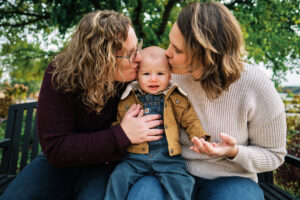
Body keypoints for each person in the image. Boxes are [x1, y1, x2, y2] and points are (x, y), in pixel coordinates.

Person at [129, 2, 287, 200]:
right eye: (170, 43)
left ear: (206, 55)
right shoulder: (166, 76)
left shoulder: (255, 84)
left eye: (177, 50)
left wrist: (234, 151)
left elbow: (274, 155)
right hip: (168, 170)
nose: (167, 53)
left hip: (231, 179)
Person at [0, 10, 165, 200]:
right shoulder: (60, 75)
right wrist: (122, 134)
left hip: (104, 164)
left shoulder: (136, 77)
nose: (139, 58)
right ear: (102, 60)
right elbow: (55, 147)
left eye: (138, 48)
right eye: (129, 54)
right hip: (59, 164)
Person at [104, 46, 210, 200]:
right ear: (137, 76)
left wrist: (199, 137)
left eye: (160, 73)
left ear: (169, 76)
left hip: (167, 157)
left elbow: (190, 119)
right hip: (135, 157)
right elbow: (119, 126)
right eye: (146, 74)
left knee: (182, 182)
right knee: (117, 178)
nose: (153, 79)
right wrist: (110, 150)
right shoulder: (128, 98)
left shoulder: (176, 97)